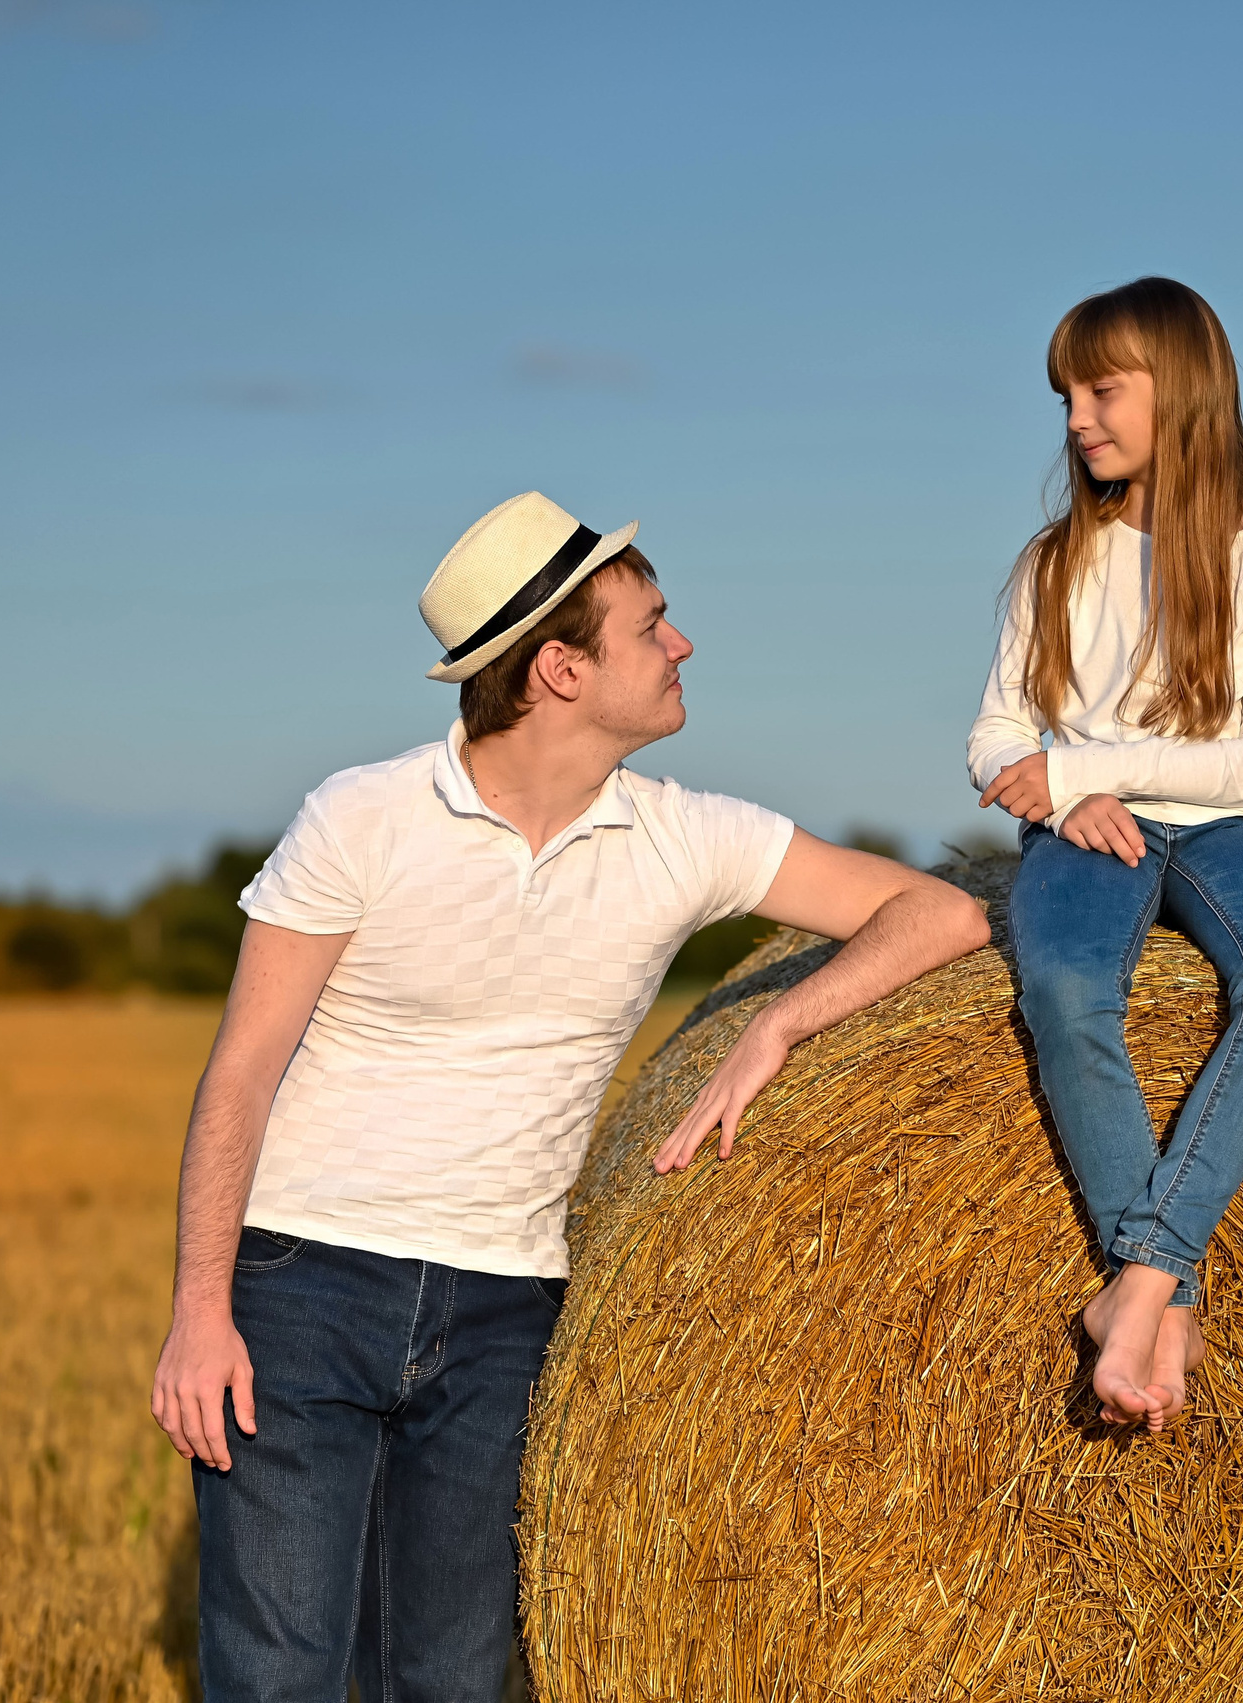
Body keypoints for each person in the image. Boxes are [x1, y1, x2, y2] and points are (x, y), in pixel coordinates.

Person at [149, 491, 988, 1700]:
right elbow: (240, 1068)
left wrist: (781, 1020)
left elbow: (941, 912)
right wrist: (200, 1308)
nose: (682, 643)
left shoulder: (684, 837)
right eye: (651, 625)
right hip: (304, 1283)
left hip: (506, 1310)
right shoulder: (360, 817)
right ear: (559, 668)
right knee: (278, 1675)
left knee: (448, 1679)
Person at [970, 277, 1243, 1434]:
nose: (1077, 418)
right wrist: (1057, 790)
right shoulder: (1053, 562)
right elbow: (992, 732)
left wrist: (1082, 764)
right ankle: (1166, 1303)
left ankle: (1141, 1277)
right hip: (1087, 828)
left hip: (1230, 826)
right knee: (1065, 983)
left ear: (1182, 392)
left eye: (1102, 391)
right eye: (1066, 397)